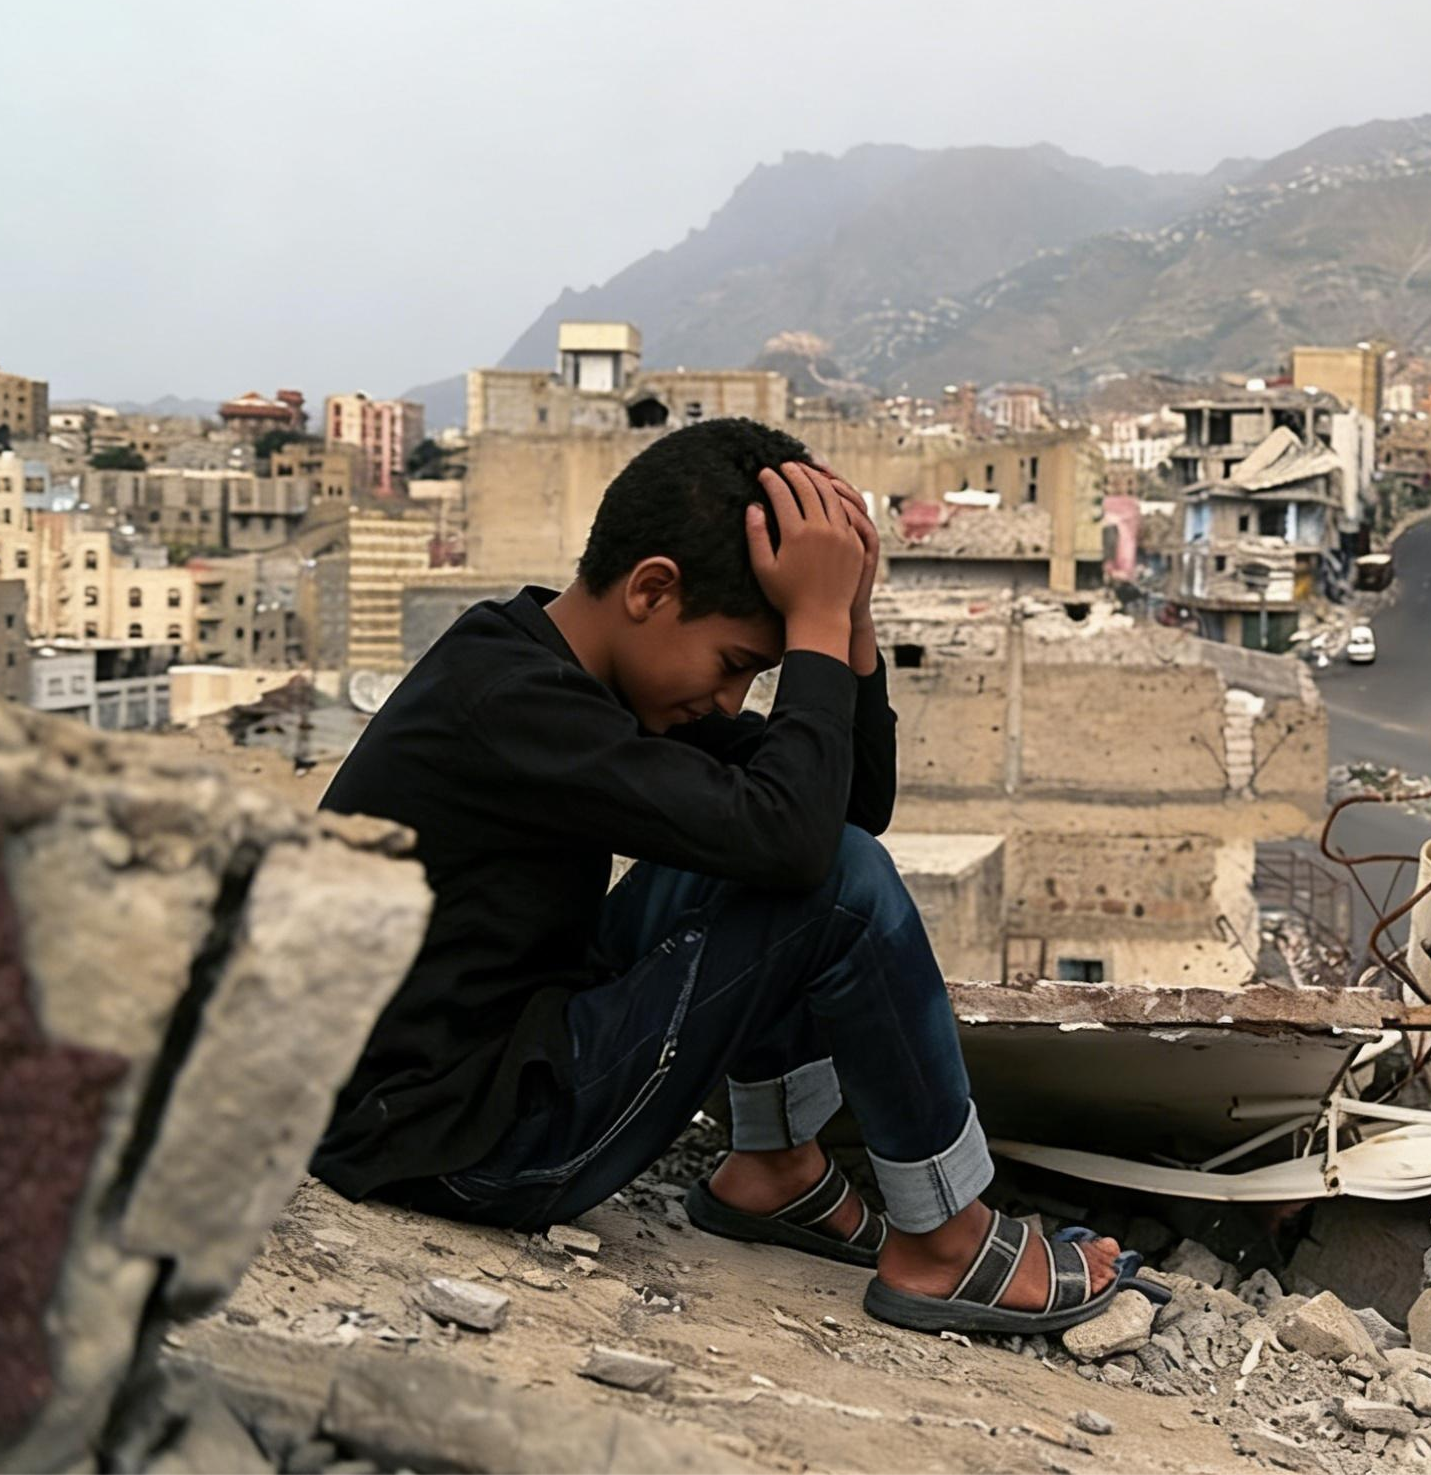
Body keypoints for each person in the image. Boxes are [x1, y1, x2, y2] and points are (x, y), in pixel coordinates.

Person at [310, 417, 1129, 1335]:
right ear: (652, 589)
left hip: (472, 1081)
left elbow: (842, 803)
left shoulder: (566, 674)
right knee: (831, 876)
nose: (733, 701)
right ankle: (943, 1238)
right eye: (738, 666)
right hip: (452, 1142)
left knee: (778, 845)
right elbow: (816, 850)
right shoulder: (511, 702)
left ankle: (772, 1167)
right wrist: (814, 625)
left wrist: (847, 626)